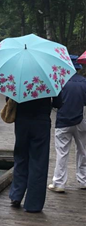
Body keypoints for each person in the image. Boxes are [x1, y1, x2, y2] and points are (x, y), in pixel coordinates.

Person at [9, 94, 62, 212]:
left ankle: (16, 195)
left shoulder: (19, 78)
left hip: (22, 120)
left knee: (20, 156)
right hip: (41, 122)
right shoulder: (48, 78)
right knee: (39, 161)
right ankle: (33, 204)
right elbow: (59, 103)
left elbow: (9, 98)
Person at [48, 55, 86, 192]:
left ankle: (59, 183)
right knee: (83, 151)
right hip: (81, 121)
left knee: (62, 152)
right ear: (78, 68)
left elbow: (56, 103)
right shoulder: (84, 82)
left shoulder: (59, 82)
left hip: (63, 121)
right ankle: (83, 180)